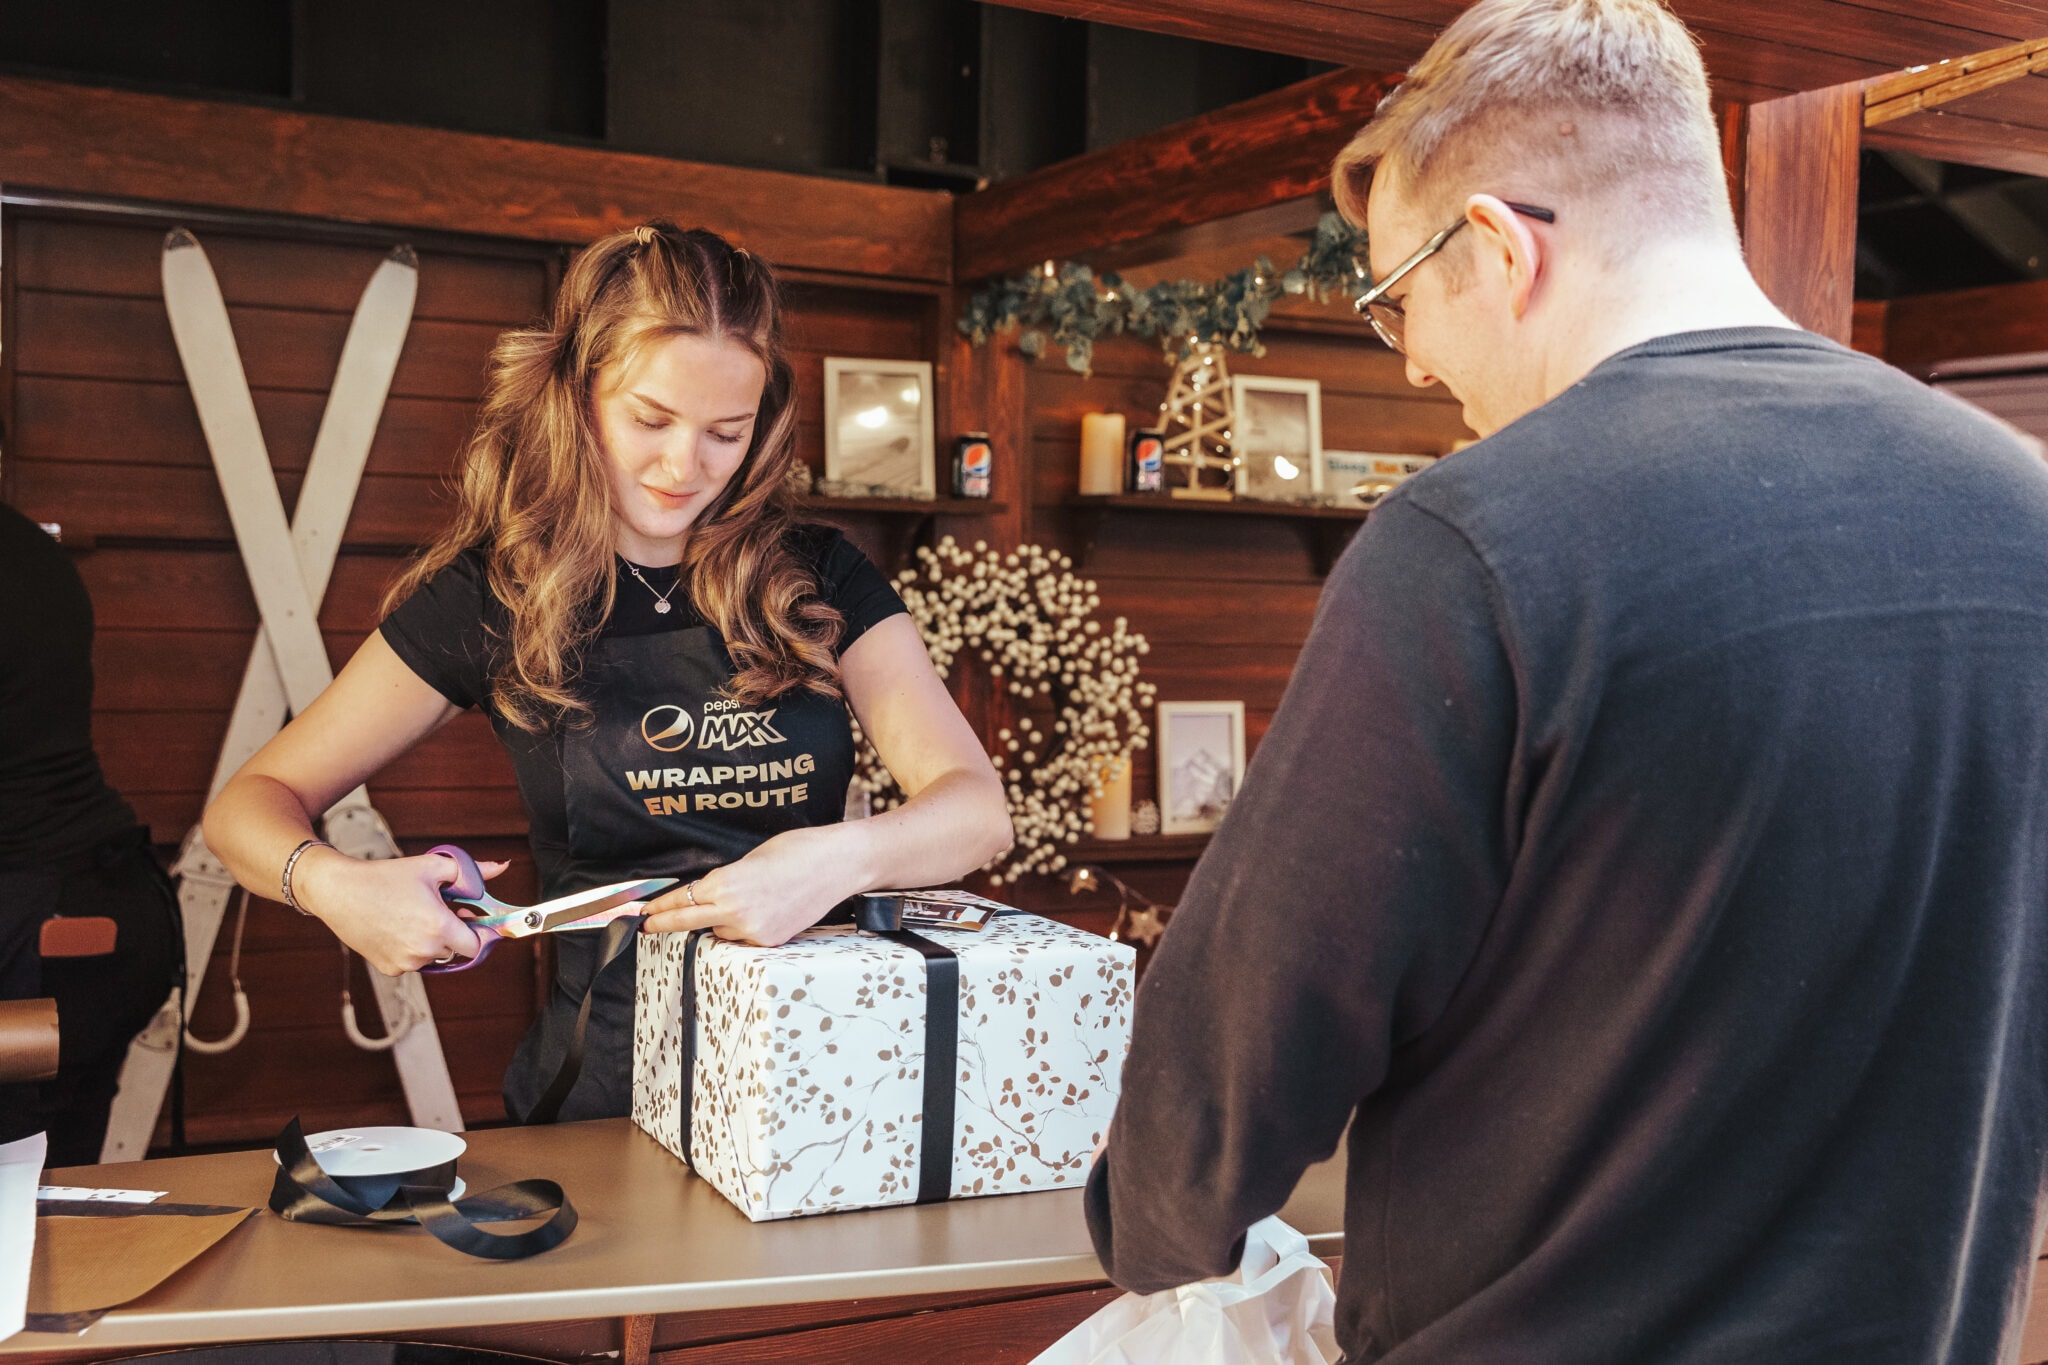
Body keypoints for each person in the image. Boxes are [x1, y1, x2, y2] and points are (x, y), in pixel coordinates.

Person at [1083, 1, 2048, 1360]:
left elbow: (1243, 1059)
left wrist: (1153, 1223)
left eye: (1396, 302)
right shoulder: (2027, 510)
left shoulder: (1475, 542)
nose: (1412, 358)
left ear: (1497, 245)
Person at [203, 222, 1011, 1122]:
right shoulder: (493, 593)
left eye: (725, 433)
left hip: (815, 1074)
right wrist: (335, 885)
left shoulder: (820, 576)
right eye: (650, 419)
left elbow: (978, 812)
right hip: (605, 1085)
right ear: (579, 394)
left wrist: (839, 860)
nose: (684, 466)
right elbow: (246, 804)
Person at [0, 503, 182, 1166]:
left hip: (43, 933)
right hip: (106, 906)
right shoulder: (32, 547)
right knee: (47, 1206)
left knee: (28, 1212)